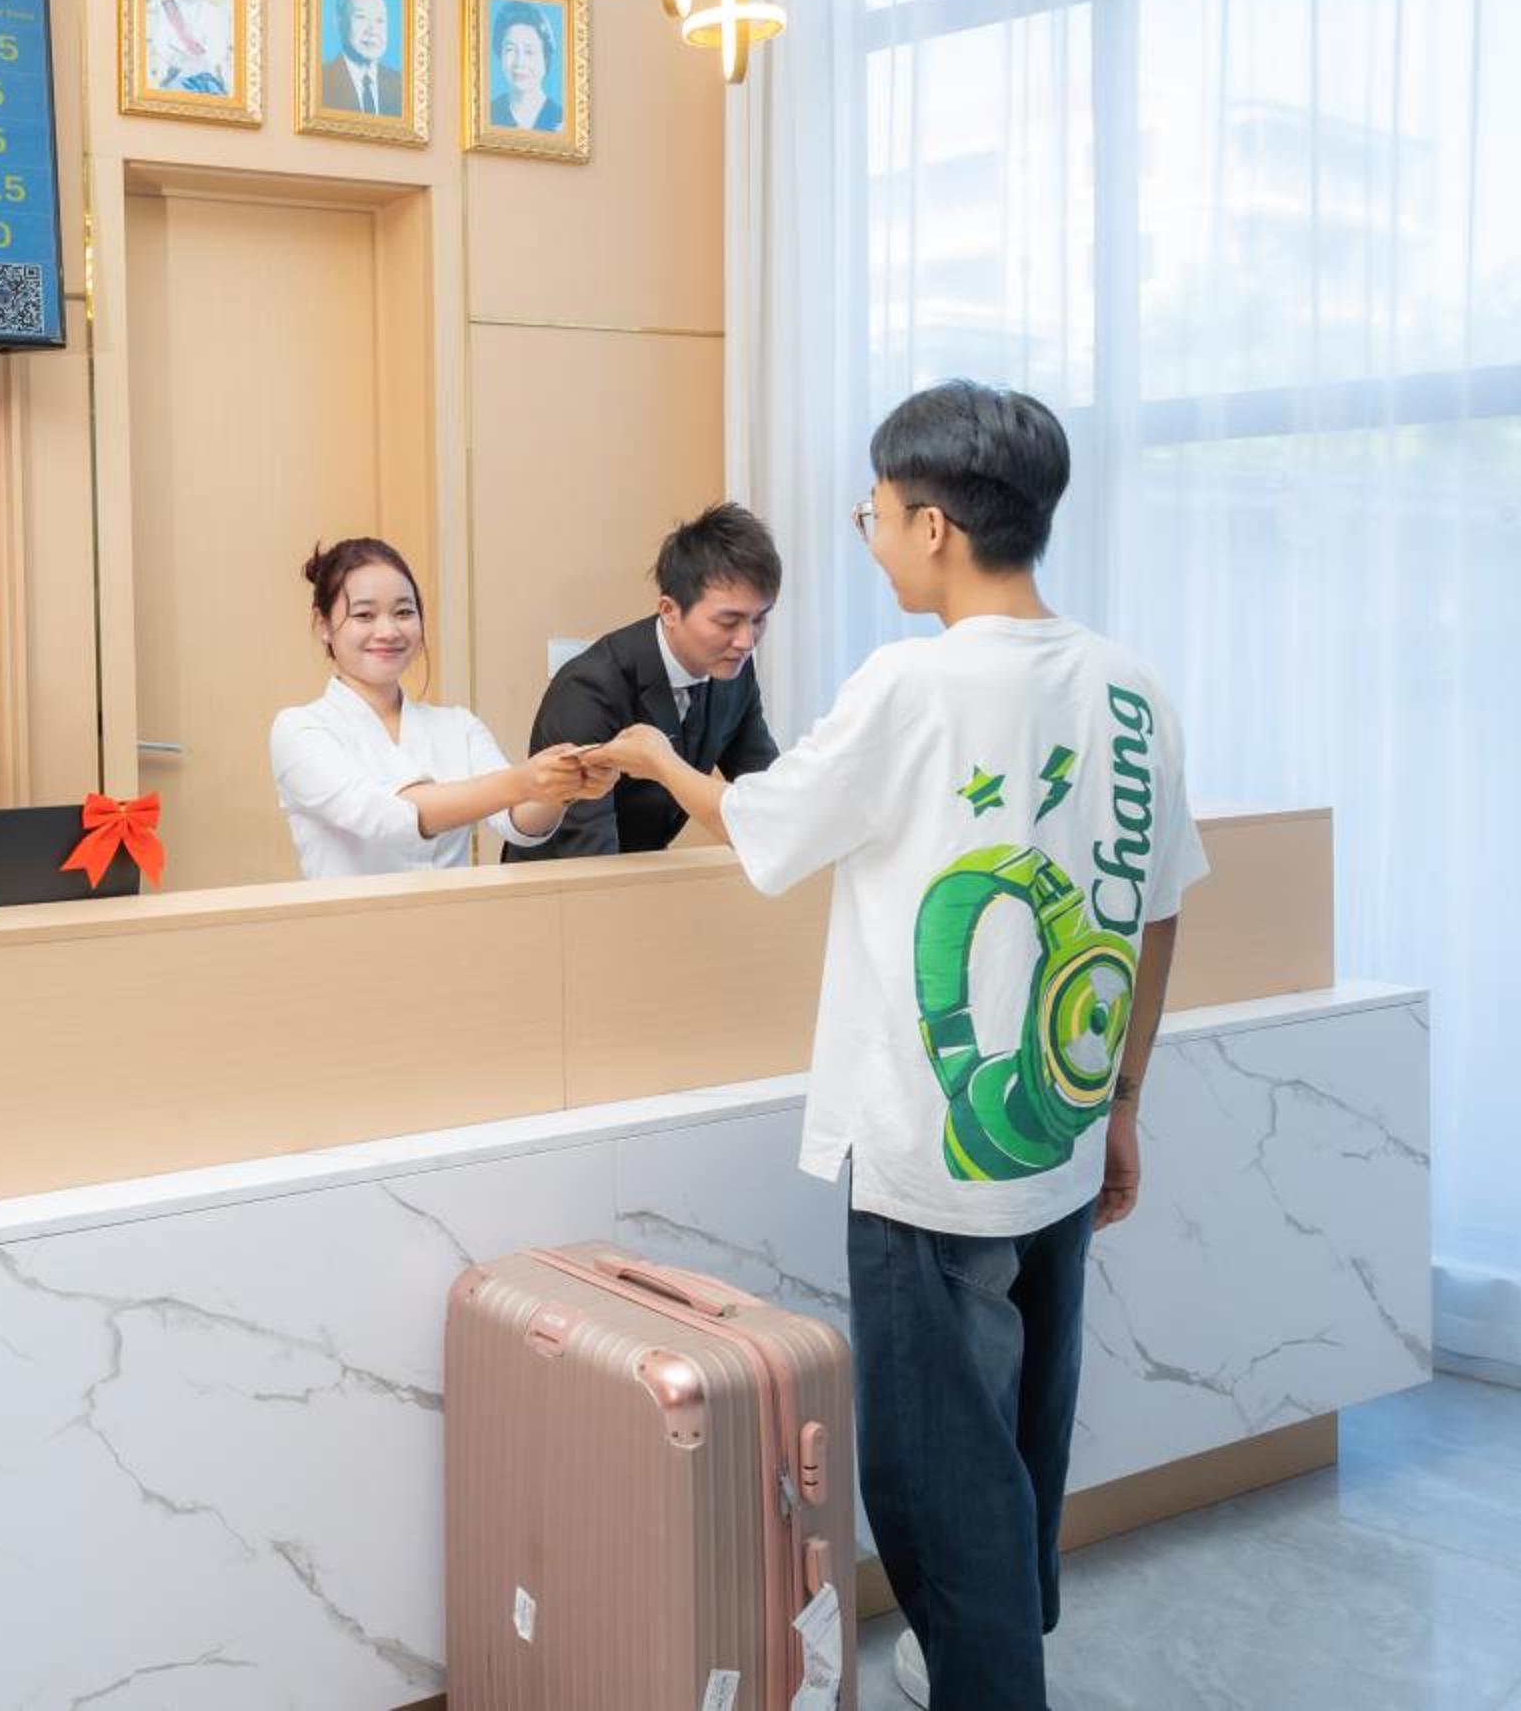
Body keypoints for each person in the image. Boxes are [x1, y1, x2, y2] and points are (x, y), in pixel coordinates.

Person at [587, 383, 1206, 1711]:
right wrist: (1125, 1102)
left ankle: (988, 1681)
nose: (867, 539)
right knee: (1025, 1432)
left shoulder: (911, 684)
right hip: (1061, 1134)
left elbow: (761, 826)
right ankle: (988, 1652)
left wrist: (657, 759)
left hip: (932, 1157)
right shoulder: (1133, 685)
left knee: (936, 1473)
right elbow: (1157, 911)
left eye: (871, 514)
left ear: (932, 525)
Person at [270, 537, 598, 879]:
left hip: (457, 912)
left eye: (403, 612)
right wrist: (523, 781)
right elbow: (387, 815)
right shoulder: (299, 729)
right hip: (356, 915)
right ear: (323, 625)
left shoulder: (458, 725)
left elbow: (517, 821)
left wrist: (564, 785)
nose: (388, 631)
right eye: (364, 615)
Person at [505, 502, 781, 860]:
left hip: (640, 872)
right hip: (560, 879)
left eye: (759, 620)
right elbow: (588, 850)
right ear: (669, 611)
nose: (746, 641)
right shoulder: (589, 688)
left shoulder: (734, 672)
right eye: (728, 622)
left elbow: (767, 794)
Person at [318, 0, 404, 119]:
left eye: (380, 20)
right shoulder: (321, 81)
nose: (372, 31)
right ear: (339, 22)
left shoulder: (401, 86)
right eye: (361, 17)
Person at [487, 3, 562, 131]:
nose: (519, 62)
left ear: (545, 58)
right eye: (510, 50)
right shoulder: (489, 115)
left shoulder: (561, 120)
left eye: (529, 51)